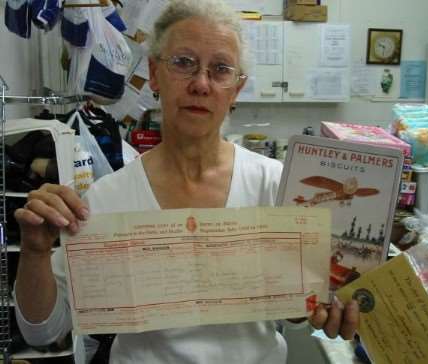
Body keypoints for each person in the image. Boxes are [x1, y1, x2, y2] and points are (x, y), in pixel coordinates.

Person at [13, 0, 359, 363]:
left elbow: (295, 308)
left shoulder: (275, 186)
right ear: (154, 74)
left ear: (237, 89)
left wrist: (323, 305)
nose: (201, 84)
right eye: (183, 63)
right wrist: (35, 252)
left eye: (221, 69)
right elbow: (43, 331)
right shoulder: (107, 198)